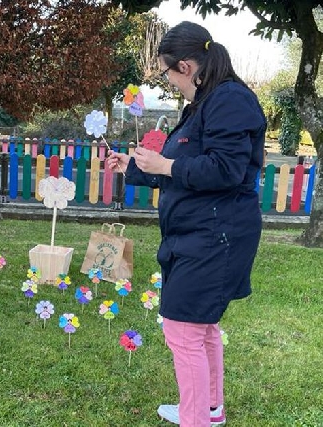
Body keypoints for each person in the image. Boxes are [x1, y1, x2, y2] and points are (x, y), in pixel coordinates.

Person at [108, 21, 266, 426]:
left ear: (187, 65)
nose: (168, 81)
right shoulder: (203, 104)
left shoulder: (230, 101)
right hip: (198, 232)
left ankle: (196, 418)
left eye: (166, 72)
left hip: (217, 235)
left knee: (182, 328)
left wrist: (166, 164)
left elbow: (226, 169)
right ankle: (209, 409)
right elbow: (181, 165)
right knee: (201, 326)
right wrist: (135, 167)